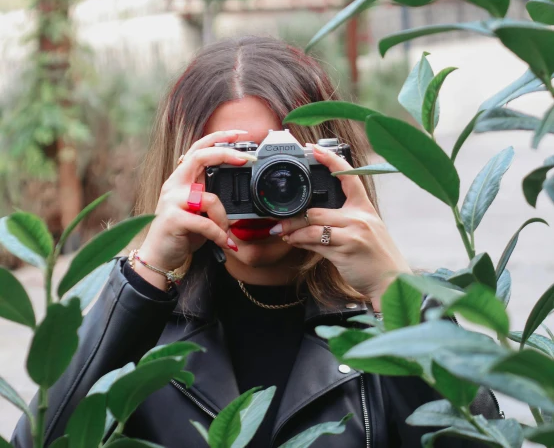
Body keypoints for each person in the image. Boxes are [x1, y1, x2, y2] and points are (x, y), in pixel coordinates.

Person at [12, 35, 503, 448]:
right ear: (178, 172)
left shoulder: (388, 310)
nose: (265, 190)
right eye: (233, 166)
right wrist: (144, 281)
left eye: (284, 167)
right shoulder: (133, 313)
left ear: (333, 166)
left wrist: (397, 297)